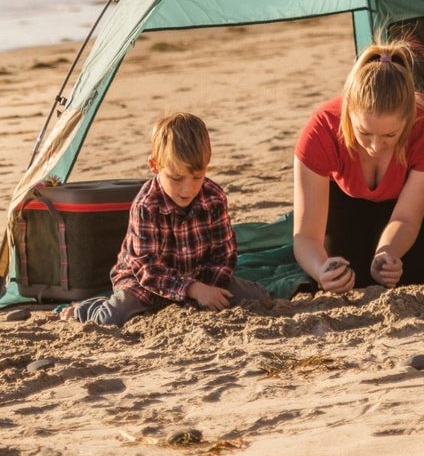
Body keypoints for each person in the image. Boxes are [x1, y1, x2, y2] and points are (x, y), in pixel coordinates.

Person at [61, 111, 271, 325]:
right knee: (110, 318)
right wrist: (192, 290)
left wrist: (208, 290)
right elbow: (148, 270)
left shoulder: (214, 197)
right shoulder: (147, 206)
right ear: (155, 166)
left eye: (197, 177)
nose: (187, 189)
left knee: (259, 298)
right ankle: (87, 308)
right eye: (176, 178)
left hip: (200, 277)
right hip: (146, 284)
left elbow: (223, 254)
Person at [292, 39, 424, 293]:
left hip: (410, 204)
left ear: (410, 119)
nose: (376, 146)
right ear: (347, 113)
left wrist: (387, 253)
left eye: (390, 136)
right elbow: (305, 235)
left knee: (401, 278)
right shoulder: (322, 128)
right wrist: (319, 268)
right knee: (342, 277)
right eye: (364, 133)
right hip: (347, 198)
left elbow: (406, 217)